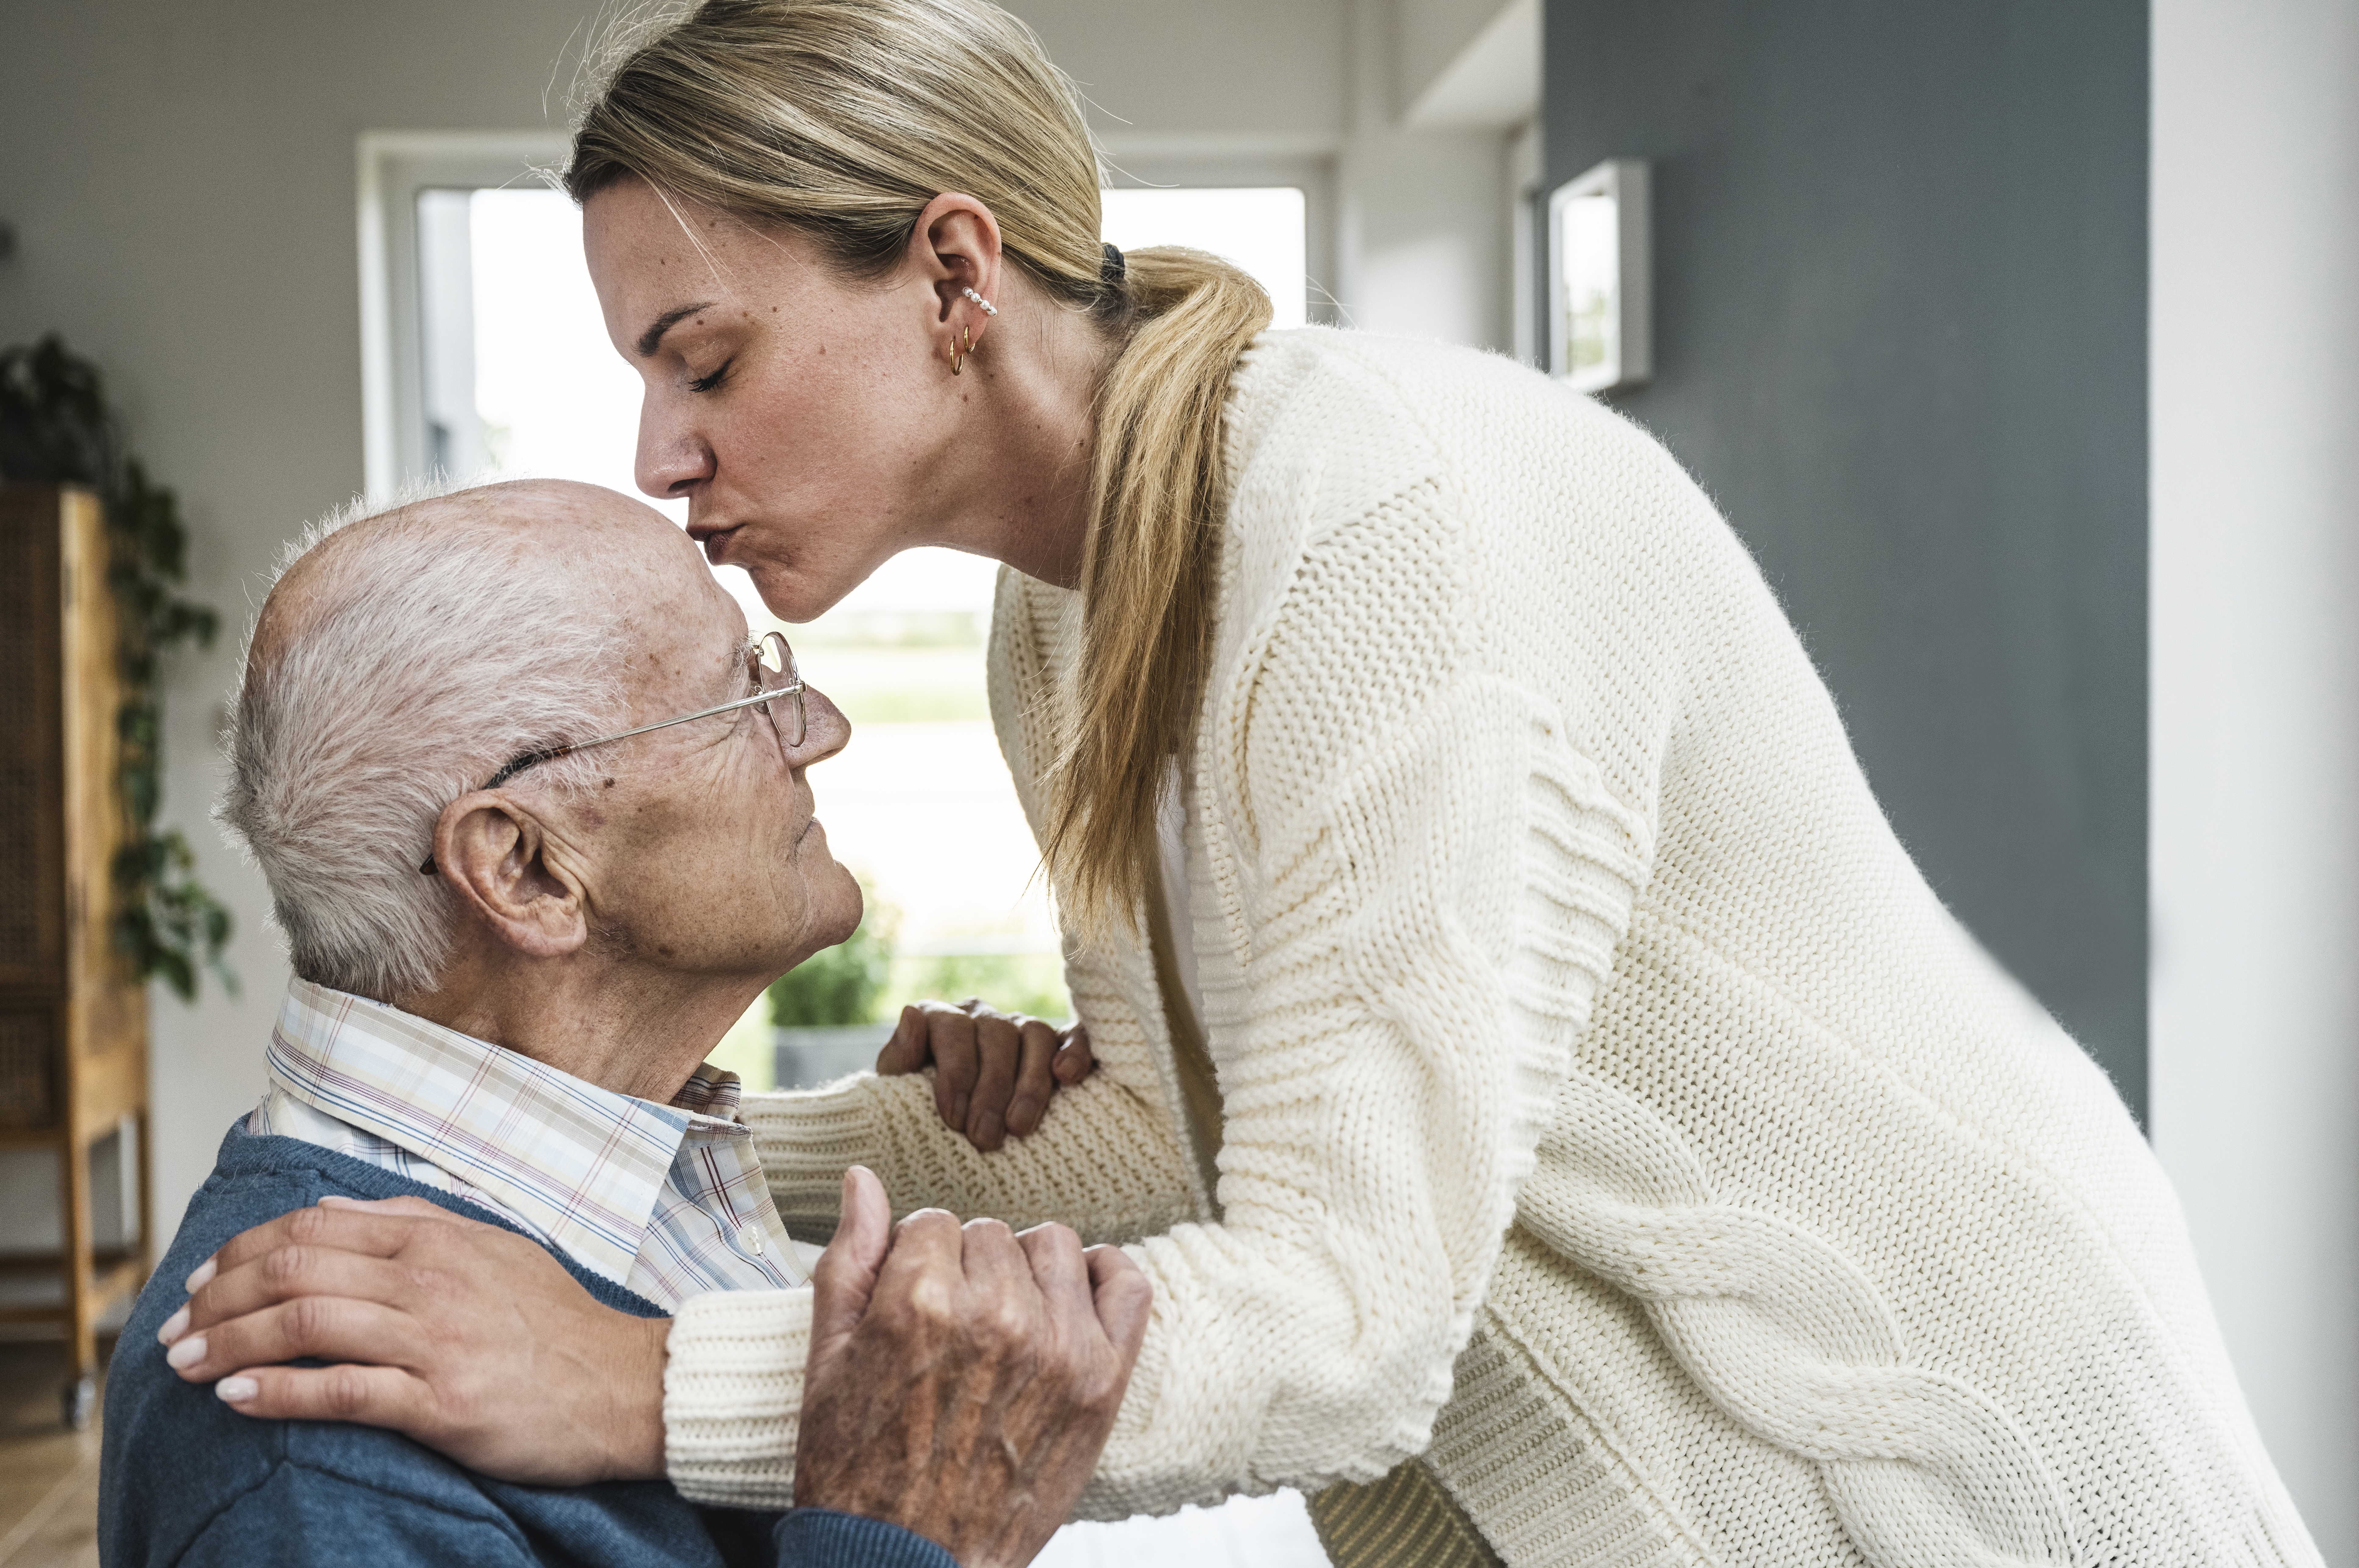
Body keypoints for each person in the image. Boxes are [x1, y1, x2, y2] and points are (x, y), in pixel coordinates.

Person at [166, 1, 2322, 1562]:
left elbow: (1353, 1309)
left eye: (702, 357)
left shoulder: (1381, 523)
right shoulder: (1065, 605)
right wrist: (689, 1162)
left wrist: (632, 1364)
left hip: (1896, 1468)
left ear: (944, 270)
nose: (656, 451)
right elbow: (1202, 1131)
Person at [104, 479, 1147, 1568]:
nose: (819, 731)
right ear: (529, 868)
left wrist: (928, 1142)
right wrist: (905, 1536)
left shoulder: (608, 1195)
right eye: (742, 697)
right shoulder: (318, 1467)